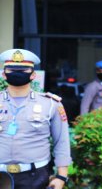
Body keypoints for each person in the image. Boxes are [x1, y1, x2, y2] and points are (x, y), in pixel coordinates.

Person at [0, 48, 72, 189]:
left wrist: (61, 176)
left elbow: (61, 142)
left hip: (35, 177)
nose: (17, 73)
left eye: (24, 70)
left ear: (33, 75)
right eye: (12, 70)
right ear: (3, 74)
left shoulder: (51, 103)